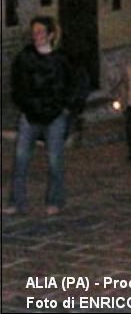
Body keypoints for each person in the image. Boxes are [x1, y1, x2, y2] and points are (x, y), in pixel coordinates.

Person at [4, 17, 89, 216]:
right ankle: (16, 202)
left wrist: (67, 107)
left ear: (51, 35)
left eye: (41, 32)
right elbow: (16, 83)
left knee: (54, 160)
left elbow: (77, 84)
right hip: (30, 114)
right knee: (21, 159)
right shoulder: (25, 57)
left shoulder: (63, 60)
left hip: (54, 115)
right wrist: (24, 103)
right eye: (34, 32)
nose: (36, 36)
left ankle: (54, 201)